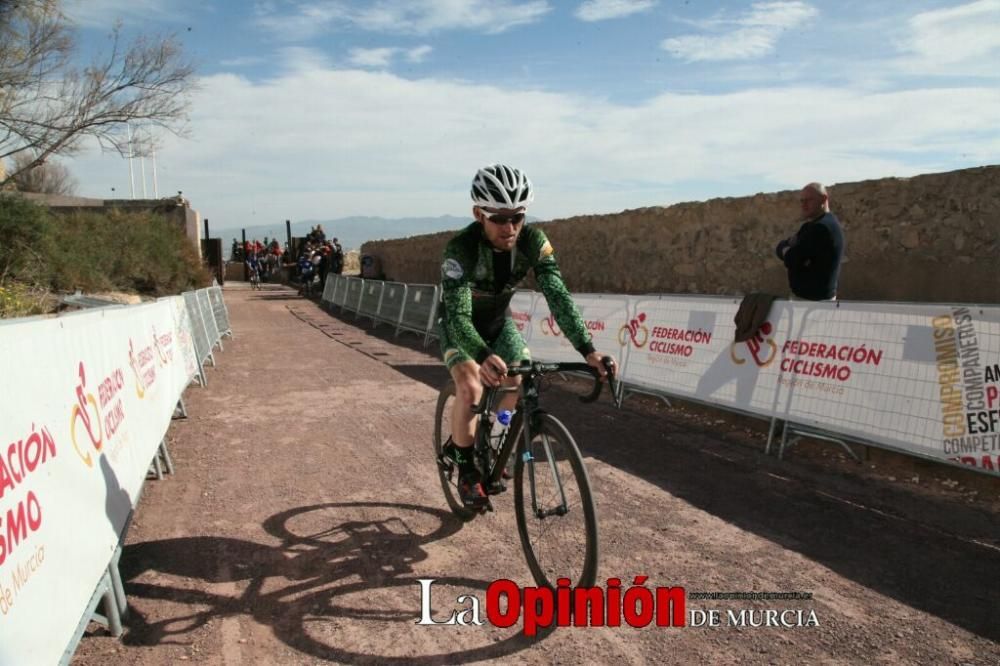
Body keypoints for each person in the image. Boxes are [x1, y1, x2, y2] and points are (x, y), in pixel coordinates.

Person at [437, 163, 615, 508]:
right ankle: (466, 468)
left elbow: (557, 295)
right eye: (499, 217)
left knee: (520, 374)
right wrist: (481, 353)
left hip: (498, 322)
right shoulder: (460, 249)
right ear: (478, 214)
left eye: (517, 216)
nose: (510, 227)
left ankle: (498, 434)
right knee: (472, 387)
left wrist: (588, 350)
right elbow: (459, 315)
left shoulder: (533, 241)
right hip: (460, 326)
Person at [775, 182, 844, 301]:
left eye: (809, 200)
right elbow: (781, 247)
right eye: (802, 201)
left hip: (813, 301)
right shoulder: (810, 226)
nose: (804, 205)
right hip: (809, 300)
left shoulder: (822, 228)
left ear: (824, 199)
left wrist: (786, 250)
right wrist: (786, 248)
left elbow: (792, 259)